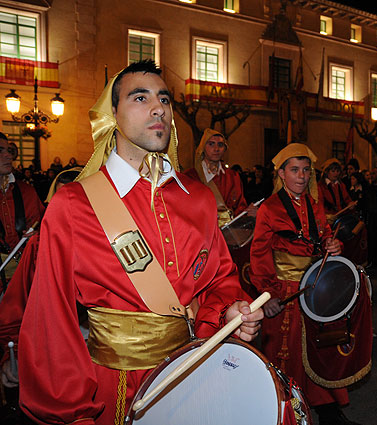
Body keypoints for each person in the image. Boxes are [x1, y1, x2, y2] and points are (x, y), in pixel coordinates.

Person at [18, 60, 263, 425]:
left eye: (164, 99)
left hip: (192, 373)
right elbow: (50, 321)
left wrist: (229, 311)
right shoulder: (73, 204)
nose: (158, 108)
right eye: (139, 97)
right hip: (112, 389)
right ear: (112, 114)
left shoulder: (198, 197)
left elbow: (219, 281)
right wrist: (70, 412)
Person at [250, 143, 359, 425]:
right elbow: (259, 254)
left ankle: (326, 408)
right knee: (286, 355)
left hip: (314, 288)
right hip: (283, 290)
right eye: (295, 170)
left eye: (306, 171)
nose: (301, 176)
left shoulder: (314, 205)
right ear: (281, 174)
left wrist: (333, 244)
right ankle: (286, 412)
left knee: (318, 349)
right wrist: (268, 293)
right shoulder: (270, 208)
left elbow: (322, 237)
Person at [0, 167, 82, 392]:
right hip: (49, 356)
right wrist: (13, 353)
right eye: (62, 203)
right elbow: (16, 308)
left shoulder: (115, 244)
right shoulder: (38, 247)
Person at [185, 129, 257, 226]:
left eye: (220, 145)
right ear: (203, 147)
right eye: (211, 144)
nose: (216, 149)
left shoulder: (233, 176)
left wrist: (248, 213)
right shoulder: (190, 177)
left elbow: (240, 207)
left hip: (229, 234)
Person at [0, 134, 45, 286]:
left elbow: (45, 226)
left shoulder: (27, 191)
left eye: (9, 150)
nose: (8, 155)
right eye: (0, 150)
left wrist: (37, 234)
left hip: (24, 274)